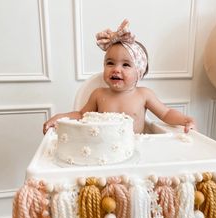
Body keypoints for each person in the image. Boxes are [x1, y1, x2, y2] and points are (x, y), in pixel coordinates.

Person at [43, 19, 196, 134]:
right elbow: (81, 114)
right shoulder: (98, 94)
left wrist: (185, 120)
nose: (116, 69)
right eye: (110, 63)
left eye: (126, 65)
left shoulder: (143, 95)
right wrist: (60, 117)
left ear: (139, 72)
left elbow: (166, 113)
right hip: (105, 151)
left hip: (135, 151)